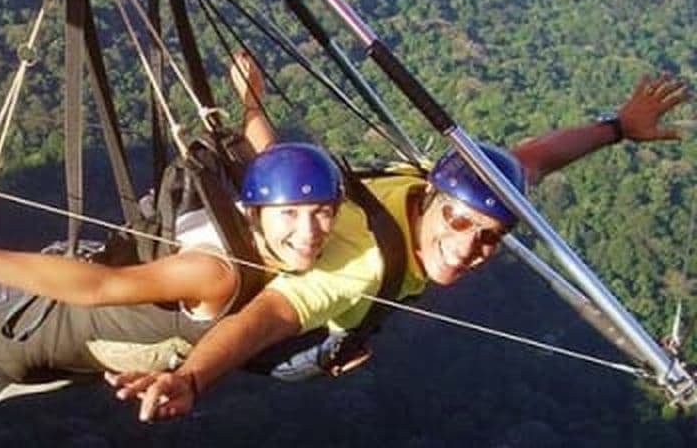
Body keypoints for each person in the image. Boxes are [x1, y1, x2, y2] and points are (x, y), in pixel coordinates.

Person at [104, 71, 690, 421]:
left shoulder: (431, 180)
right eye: (458, 224)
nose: (467, 247)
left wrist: (617, 127)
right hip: (255, 336)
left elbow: (530, 160)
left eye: (489, 238)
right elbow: (268, 317)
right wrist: (194, 380)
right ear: (436, 201)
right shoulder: (359, 265)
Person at [0, 54, 342, 446]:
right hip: (66, 297)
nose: (309, 231)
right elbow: (268, 151)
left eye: (322, 212)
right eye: (291, 215)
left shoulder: (223, 265)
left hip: (36, 337)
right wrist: (250, 100)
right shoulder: (219, 267)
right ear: (257, 209)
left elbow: (102, 287)